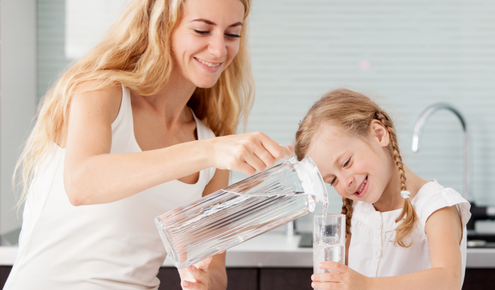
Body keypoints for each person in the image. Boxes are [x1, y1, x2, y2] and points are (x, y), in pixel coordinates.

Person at [5, 0, 291, 289]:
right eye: (202, 30)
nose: (219, 50)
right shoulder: (101, 92)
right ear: (161, 26)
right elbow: (82, 183)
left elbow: (215, 270)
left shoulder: (208, 146)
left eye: (232, 34)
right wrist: (209, 152)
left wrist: (204, 282)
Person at [294, 89, 472, 290]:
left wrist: (367, 286)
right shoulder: (357, 211)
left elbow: (448, 280)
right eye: (333, 179)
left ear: (379, 134)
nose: (345, 183)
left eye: (346, 162)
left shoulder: (435, 206)